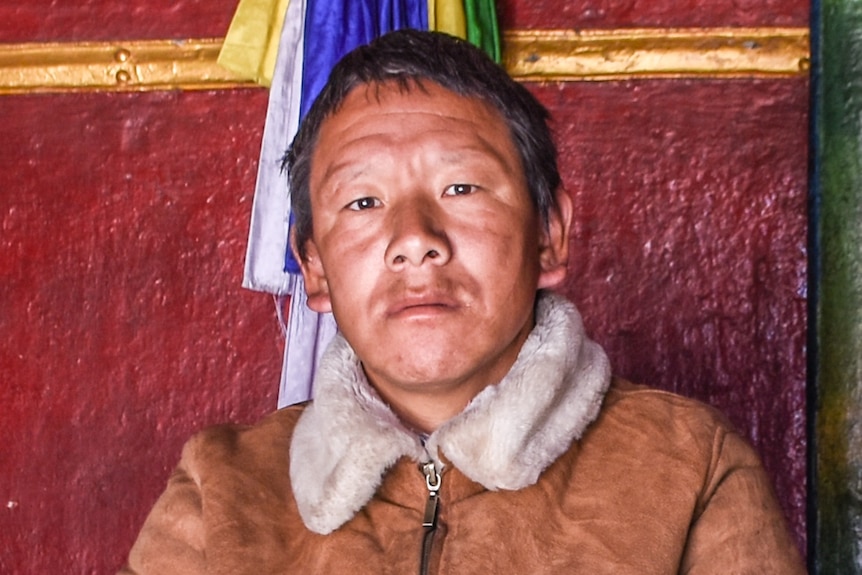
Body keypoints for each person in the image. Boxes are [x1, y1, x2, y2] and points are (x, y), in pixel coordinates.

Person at [120, 30, 805, 574]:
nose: (415, 240)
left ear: (550, 235)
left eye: (462, 188)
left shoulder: (686, 467)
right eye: (363, 202)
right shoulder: (226, 490)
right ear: (315, 267)